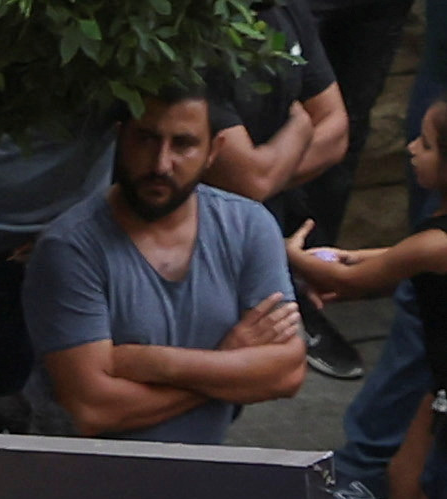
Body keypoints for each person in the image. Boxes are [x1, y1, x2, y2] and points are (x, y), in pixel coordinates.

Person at [29, 98, 311, 440]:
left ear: (213, 150)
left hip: (199, 474)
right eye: (146, 139)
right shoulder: (70, 247)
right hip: (88, 477)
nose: (161, 164)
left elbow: (287, 373)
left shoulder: (248, 226)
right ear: (122, 138)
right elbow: (92, 410)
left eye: (184, 144)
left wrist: (154, 363)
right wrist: (227, 364)